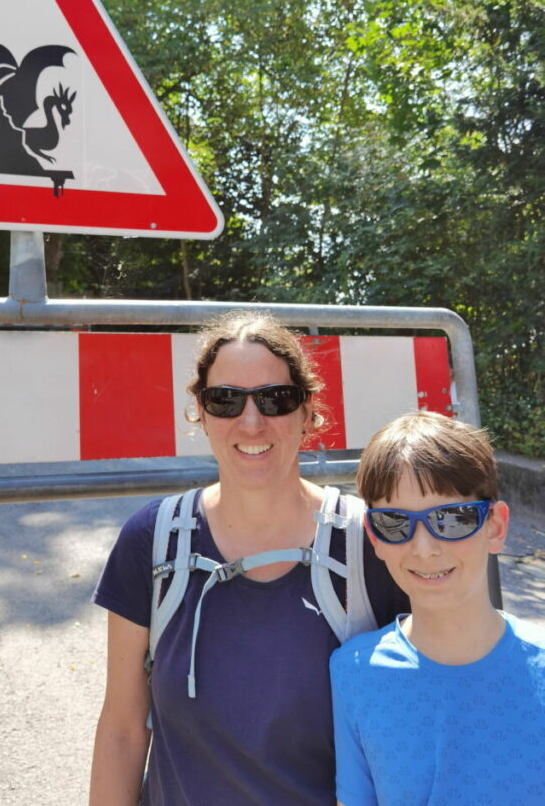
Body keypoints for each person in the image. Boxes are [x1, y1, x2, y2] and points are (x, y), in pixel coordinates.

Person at [90, 311, 408, 806]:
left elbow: (432, 702)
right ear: (201, 412)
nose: (252, 420)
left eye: (275, 399)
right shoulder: (152, 540)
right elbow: (123, 730)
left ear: (307, 412)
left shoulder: (368, 540)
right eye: (225, 399)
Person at [330, 411, 545, 806]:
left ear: (495, 526)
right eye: (395, 522)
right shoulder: (352, 673)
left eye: (452, 518)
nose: (424, 548)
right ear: (374, 536)